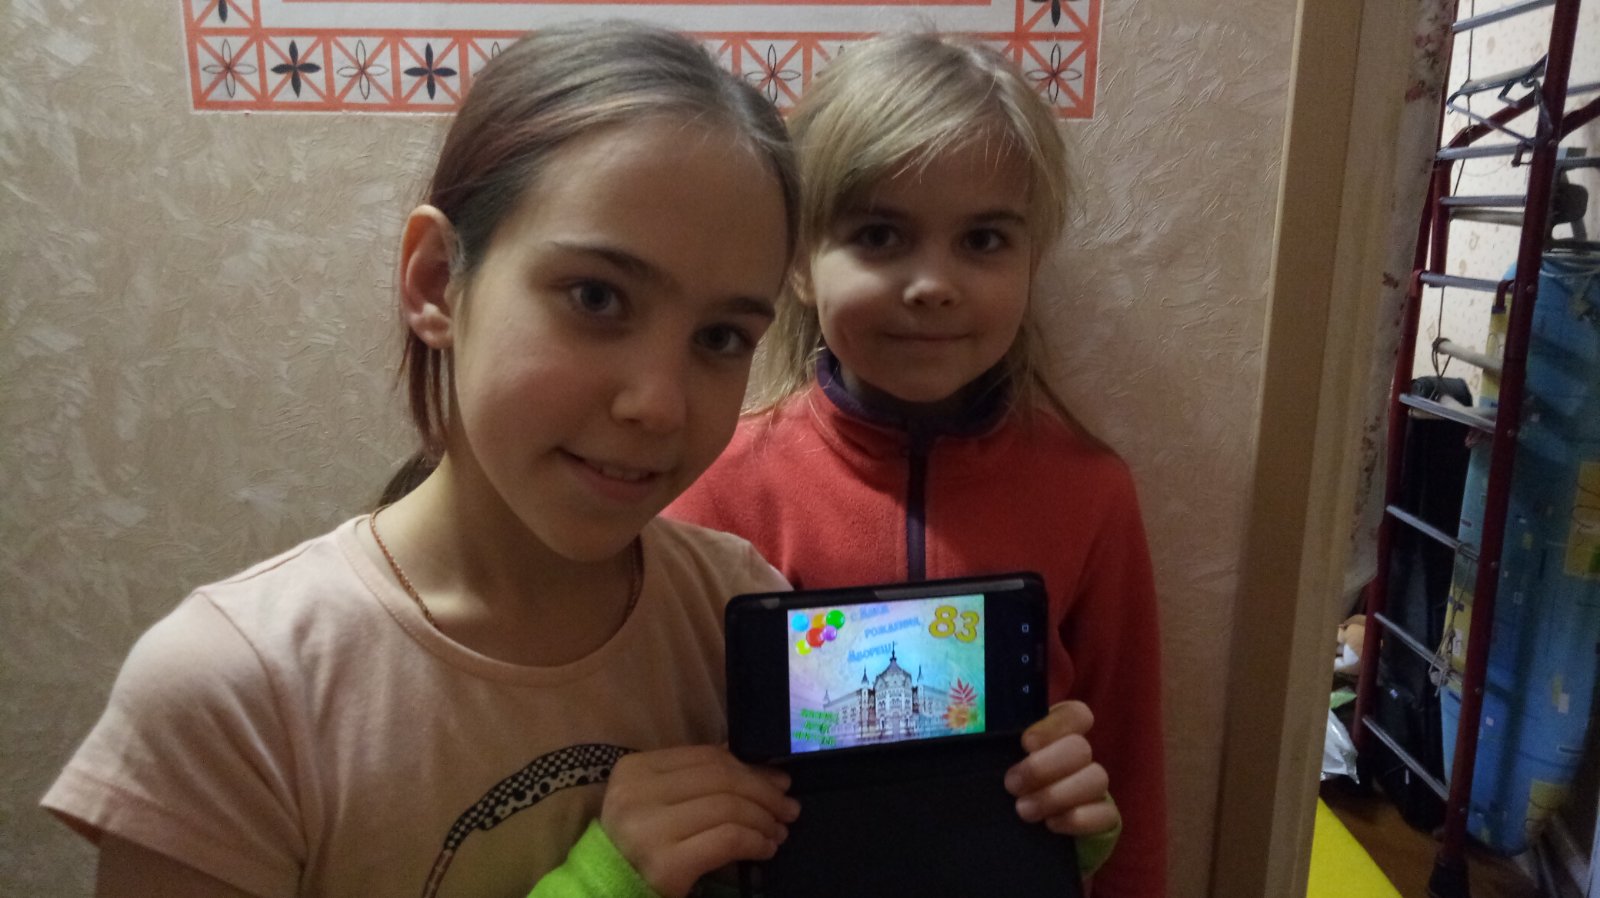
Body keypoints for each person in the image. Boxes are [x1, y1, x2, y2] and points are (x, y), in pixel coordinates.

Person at [43, 22, 1111, 898]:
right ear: (435, 280)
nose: (657, 404)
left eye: (720, 337)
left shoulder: (737, 617)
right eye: (597, 298)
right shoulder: (233, 696)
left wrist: (1020, 833)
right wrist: (600, 883)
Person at [666, 32, 1166, 897]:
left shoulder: (1090, 492)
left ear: (1032, 259)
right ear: (799, 265)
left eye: (983, 240)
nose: (933, 283)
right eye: (879, 234)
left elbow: (1129, 776)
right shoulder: (718, 485)